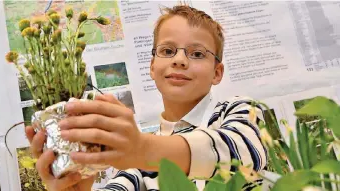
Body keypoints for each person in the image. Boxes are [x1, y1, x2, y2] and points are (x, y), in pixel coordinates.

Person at [26, 4, 267, 191]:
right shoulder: (135, 164)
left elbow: (244, 154)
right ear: (152, 67)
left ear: (217, 72)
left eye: (196, 53)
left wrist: (143, 149)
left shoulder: (238, 111)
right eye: (168, 51)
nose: (180, 60)